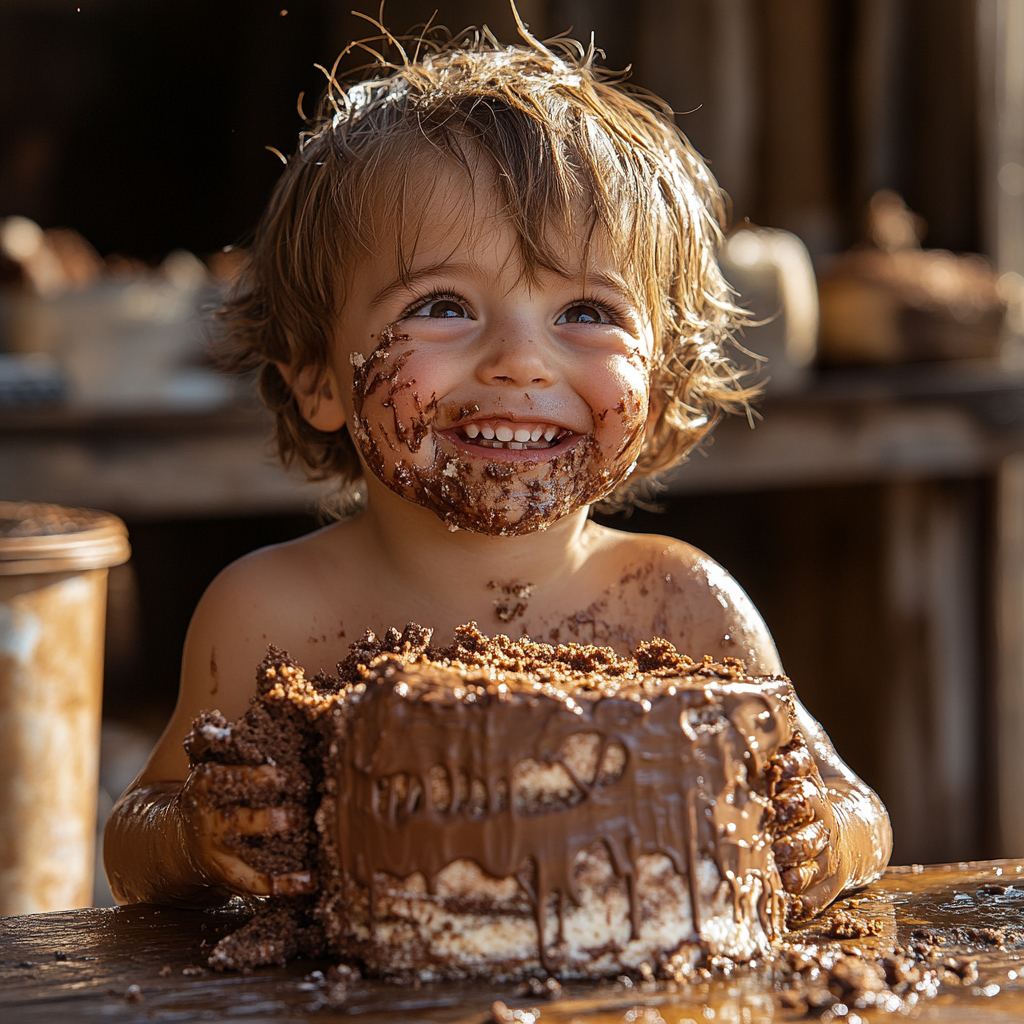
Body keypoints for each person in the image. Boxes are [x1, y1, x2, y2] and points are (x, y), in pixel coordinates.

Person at [104, 21, 891, 923]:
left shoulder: (678, 605)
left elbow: (856, 808)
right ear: (316, 377)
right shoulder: (275, 615)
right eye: (442, 306)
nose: (522, 361)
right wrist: (196, 835)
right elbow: (135, 841)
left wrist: (821, 837)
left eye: (587, 311)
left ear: (664, 384)